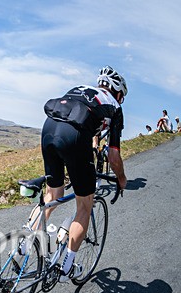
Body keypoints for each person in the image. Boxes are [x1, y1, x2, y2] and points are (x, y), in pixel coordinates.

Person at [40, 65, 128, 282]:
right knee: (84, 205)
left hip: (49, 127)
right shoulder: (115, 107)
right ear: (118, 92)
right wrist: (121, 179)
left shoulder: (81, 88)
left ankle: (24, 243)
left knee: (52, 195)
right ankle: (67, 266)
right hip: (74, 135)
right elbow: (114, 157)